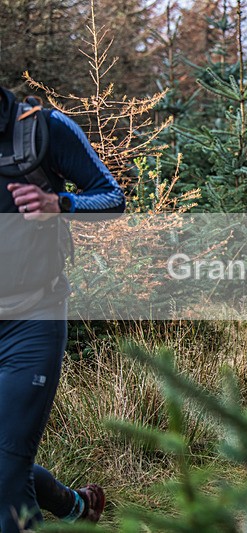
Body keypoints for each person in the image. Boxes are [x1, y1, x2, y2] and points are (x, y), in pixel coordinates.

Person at [0, 85, 125, 531]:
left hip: (32, 321)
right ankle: (74, 505)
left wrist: (60, 203)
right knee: (5, 467)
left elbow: (112, 197)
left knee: (5, 471)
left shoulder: (43, 128)